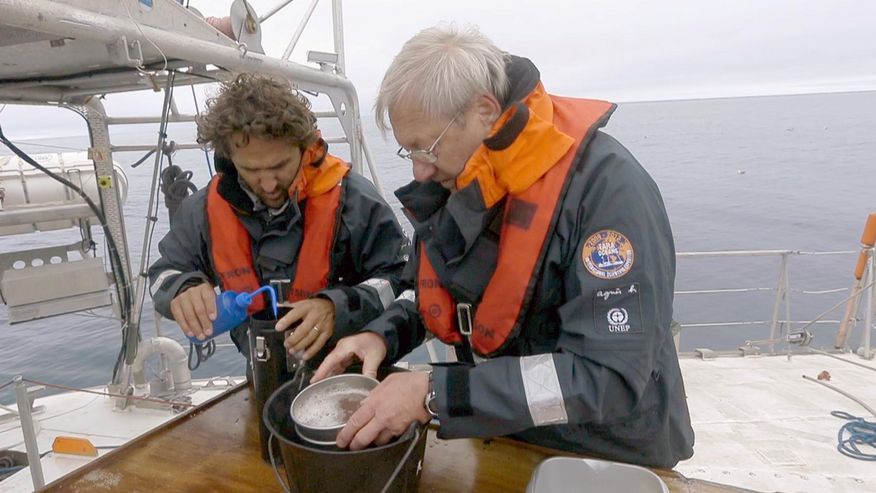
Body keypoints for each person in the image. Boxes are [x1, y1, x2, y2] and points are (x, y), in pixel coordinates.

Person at [313, 25, 695, 468]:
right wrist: (381, 335)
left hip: (608, 454)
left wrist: (437, 393)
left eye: (426, 149)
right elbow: (439, 295)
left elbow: (607, 377)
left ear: (485, 112)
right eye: (407, 152)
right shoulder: (459, 182)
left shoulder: (608, 191)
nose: (419, 172)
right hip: (507, 437)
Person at [148, 73, 408, 364]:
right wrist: (183, 288)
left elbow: (399, 279)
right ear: (229, 157)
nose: (269, 184)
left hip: (352, 367)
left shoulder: (356, 201)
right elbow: (163, 273)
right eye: (252, 170)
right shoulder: (202, 211)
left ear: (304, 147)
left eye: (280, 166)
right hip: (261, 369)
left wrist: (335, 308)